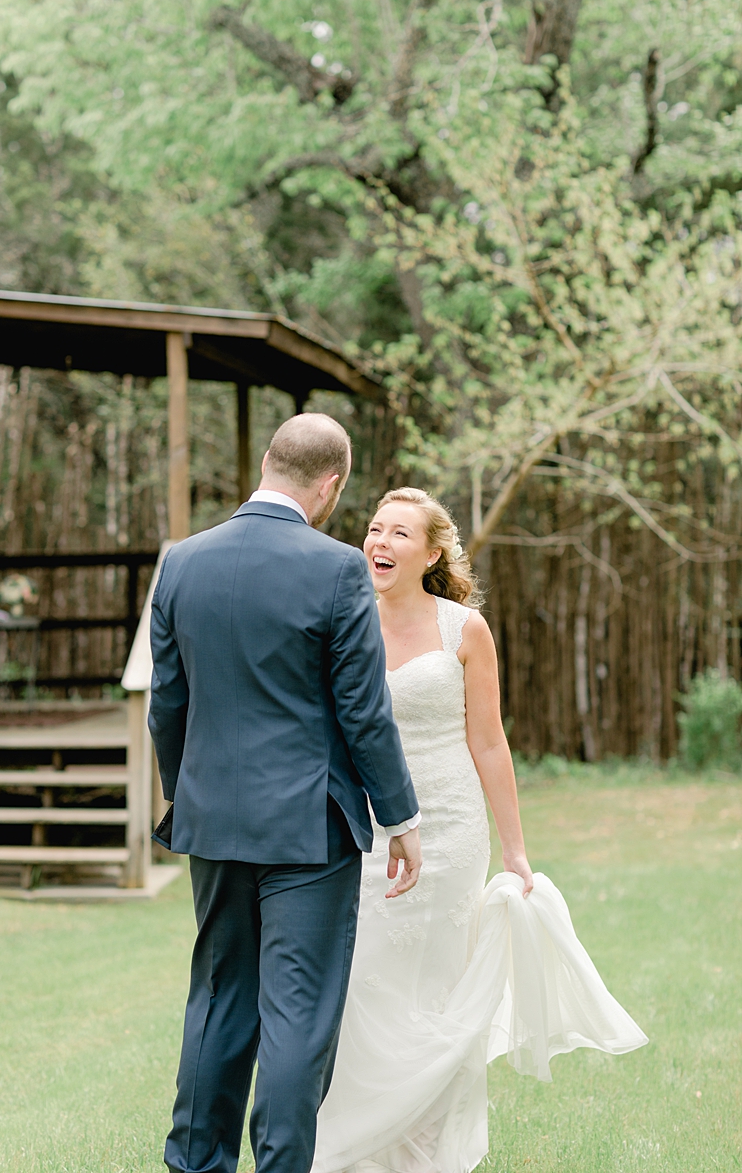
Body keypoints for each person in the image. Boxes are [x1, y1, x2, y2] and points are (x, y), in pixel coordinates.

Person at [312, 487, 648, 1173]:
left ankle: (429, 1154)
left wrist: (516, 848)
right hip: (369, 831)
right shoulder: (345, 621)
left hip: (451, 829)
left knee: (438, 987)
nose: (379, 542)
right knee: (363, 983)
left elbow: (490, 744)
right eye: (374, 528)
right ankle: (356, 1150)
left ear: (432, 552)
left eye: (399, 533)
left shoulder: (464, 629)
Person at [148, 414, 424, 1173]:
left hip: (213, 821)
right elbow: (364, 714)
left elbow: (165, 706)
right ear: (330, 485)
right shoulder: (336, 569)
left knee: (218, 998)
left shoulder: (182, 563)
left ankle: (196, 1164)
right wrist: (399, 815)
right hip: (311, 830)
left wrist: (194, 792)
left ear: (269, 462)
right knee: (297, 1018)